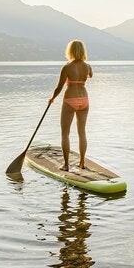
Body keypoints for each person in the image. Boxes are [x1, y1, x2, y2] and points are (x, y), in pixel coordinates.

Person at [49, 40, 93, 171]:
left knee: (65, 133)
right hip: (84, 99)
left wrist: (52, 98)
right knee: (82, 132)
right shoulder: (88, 66)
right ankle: (82, 163)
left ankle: (66, 165)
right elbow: (90, 75)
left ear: (70, 51)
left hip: (70, 99)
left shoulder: (67, 67)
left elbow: (59, 87)